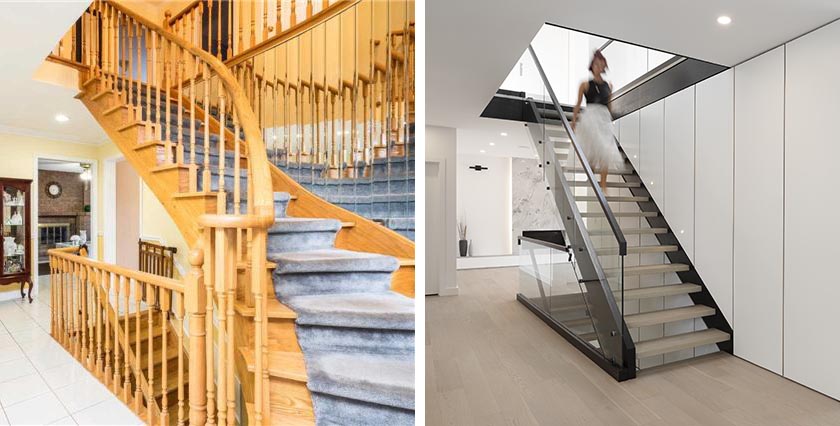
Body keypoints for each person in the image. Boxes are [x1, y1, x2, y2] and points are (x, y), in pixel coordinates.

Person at [571, 50, 624, 193]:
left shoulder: (608, 85)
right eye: (596, 64)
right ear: (592, 66)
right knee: (593, 149)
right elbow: (578, 103)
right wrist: (574, 121)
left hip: (604, 118)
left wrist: (611, 119)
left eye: (601, 64)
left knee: (606, 150)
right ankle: (592, 172)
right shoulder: (585, 84)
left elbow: (609, 104)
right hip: (590, 117)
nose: (598, 66)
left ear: (604, 66)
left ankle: (603, 183)